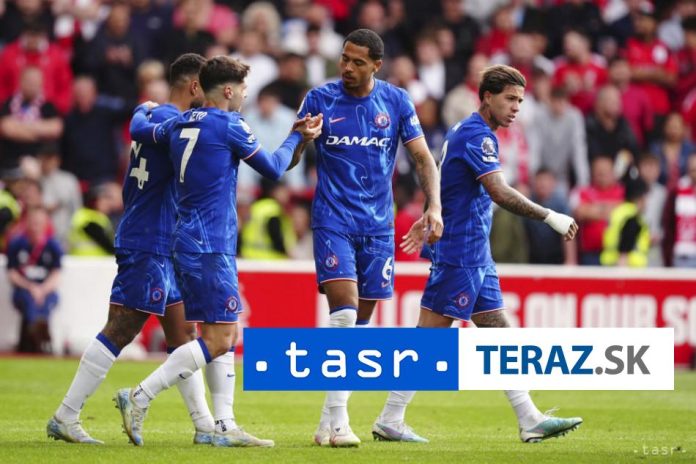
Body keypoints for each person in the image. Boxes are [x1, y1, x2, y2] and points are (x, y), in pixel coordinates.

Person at [115, 55, 322, 448]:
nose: (245, 95)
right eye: (242, 88)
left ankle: (223, 426)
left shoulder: (179, 122)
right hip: (211, 243)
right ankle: (140, 395)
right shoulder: (230, 125)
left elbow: (141, 129)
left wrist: (142, 109)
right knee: (221, 339)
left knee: (221, 330)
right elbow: (274, 169)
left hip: (183, 239)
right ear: (228, 90)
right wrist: (297, 137)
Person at [373, 65, 582, 444]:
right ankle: (390, 417)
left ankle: (530, 418)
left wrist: (431, 211)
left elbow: (445, 179)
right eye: (509, 99)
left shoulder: (465, 130)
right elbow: (499, 191)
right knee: (430, 338)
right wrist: (549, 215)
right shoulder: (477, 136)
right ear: (487, 96)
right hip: (461, 251)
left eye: (520, 101)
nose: (516, 107)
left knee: (499, 332)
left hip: (475, 252)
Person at [47, 54, 213, 445]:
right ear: (194, 86)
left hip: (161, 239)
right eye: (206, 88)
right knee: (122, 327)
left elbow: (142, 127)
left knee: (183, 332)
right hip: (148, 239)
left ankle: (205, 425)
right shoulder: (177, 126)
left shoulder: (153, 115)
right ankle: (66, 416)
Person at [297, 29, 443, 448]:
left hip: (378, 226)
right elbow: (289, 159)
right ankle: (341, 423)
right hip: (333, 220)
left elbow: (422, 157)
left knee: (359, 325)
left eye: (357, 62)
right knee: (343, 314)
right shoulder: (319, 98)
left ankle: (326, 422)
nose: (347, 67)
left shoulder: (396, 101)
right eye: (344, 58)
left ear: (377, 65)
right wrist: (301, 142)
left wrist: (433, 206)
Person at [7, 206, 61, 353]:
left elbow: (56, 274)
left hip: (45, 290)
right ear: (27, 222)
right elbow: (12, 273)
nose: (36, 226)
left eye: (39, 222)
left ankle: (39, 338)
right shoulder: (16, 244)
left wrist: (42, 290)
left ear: (45, 223)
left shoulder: (53, 246)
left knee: (47, 301)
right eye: (33, 222)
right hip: (24, 289)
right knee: (28, 301)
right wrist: (31, 287)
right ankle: (39, 339)